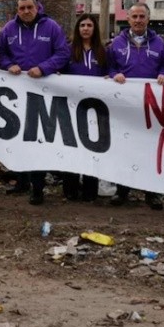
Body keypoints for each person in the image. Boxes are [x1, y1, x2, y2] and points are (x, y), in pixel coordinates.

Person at [0, 0, 70, 205]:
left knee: (37, 138)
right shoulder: (8, 29)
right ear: (17, 10)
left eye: (29, 7)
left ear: (37, 7)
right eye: (22, 8)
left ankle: (37, 187)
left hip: (43, 91)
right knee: (18, 137)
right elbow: (0, 52)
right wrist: (8, 65)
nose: (26, 11)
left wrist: (43, 68)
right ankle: (21, 181)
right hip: (17, 92)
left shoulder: (52, 27)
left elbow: (63, 53)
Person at [107, 3, 164, 210]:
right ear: (128, 19)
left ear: (148, 19)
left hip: (151, 106)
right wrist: (114, 73)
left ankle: (152, 193)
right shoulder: (117, 42)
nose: (138, 20)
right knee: (124, 149)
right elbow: (109, 66)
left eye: (142, 16)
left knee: (150, 149)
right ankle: (122, 190)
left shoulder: (159, 43)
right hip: (125, 105)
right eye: (134, 16)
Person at [60, 14, 106, 202]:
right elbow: (59, 72)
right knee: (72, 147)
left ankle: (90, 189)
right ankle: (70, 187)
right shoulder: (68, 50)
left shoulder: (103, 51)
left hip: (96, 109)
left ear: (94, 28)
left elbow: (109, 73)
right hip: (72, 108)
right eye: (82, 25)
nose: (85, 28)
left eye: (89, 25)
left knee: (92, 148)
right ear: (77, 29)